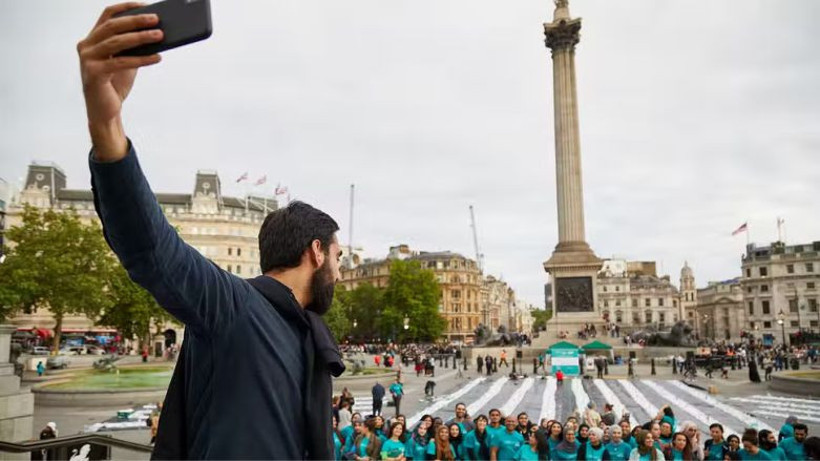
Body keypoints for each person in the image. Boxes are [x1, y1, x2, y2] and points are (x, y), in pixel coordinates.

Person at [77, 5, 346, 458]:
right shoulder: (234, 307)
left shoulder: (306, 333)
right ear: (316, 252)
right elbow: (152, 248)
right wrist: (106, 124)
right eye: (339, 257)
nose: (339, 273)